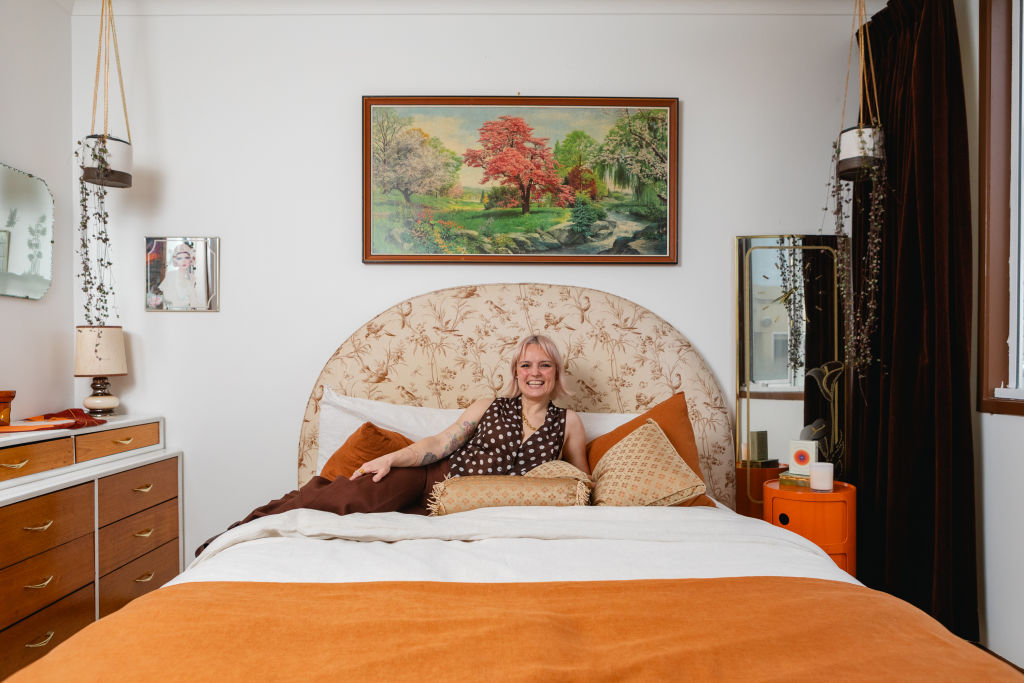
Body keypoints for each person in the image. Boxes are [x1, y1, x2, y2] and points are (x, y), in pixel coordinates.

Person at [195, 334, 588, 556]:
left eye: (544, 365)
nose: (534, 373)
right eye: (525, 365)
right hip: (431, 481)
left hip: (471, 508)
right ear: (515, 373)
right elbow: (439, 443)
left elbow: (581, 482)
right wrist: (390, 458)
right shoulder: (488, 406)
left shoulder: (568, 423)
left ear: (555, 373)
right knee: (346, 501)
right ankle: (245, 527)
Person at [158, 242, 206, 310]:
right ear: (176, 260)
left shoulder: (192, 277)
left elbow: (194, 304)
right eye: (179, 258)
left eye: (186, 257)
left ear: (190, 259)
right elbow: (168, 299)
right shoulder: (171, 275)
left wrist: (191, 286)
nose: (183, 261)